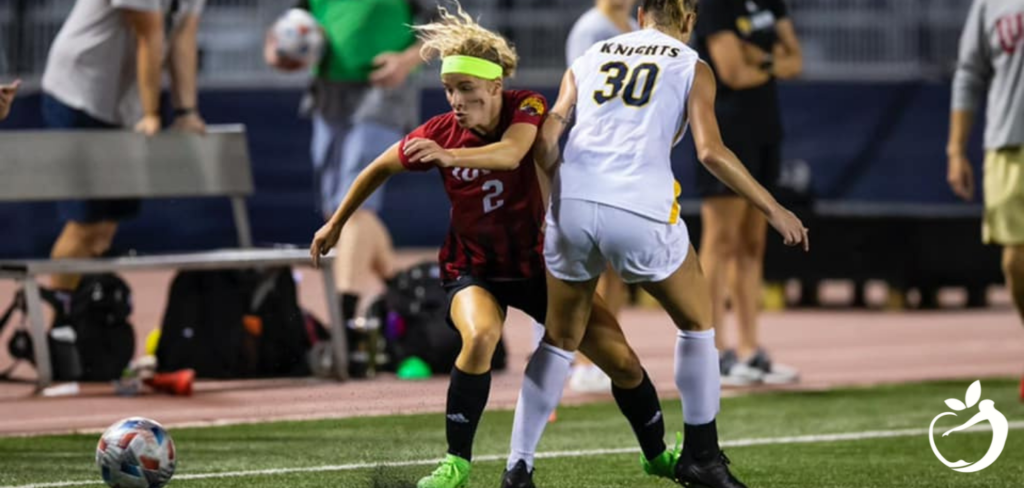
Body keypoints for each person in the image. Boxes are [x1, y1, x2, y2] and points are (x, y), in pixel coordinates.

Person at [310, 6, 681, 488]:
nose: (456, 100)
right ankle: (456, 463)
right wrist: (337, 223)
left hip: (539, 265)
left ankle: (655, 456)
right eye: (449, 89)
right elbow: (377, 168)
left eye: (467, 89)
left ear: (494, 87)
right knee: (480, 336)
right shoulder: (439, 131)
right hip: (474, 268)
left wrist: (450, 156)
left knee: (623, 361)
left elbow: (512, 153)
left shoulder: (525, 107)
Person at [504, 0, 809, 487]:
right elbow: (711, 151)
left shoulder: (590, 55)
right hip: (639, 208)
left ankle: (518, 466)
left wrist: (552, 209)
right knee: (697, 323)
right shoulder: (691, 63)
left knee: (559, 339)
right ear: (689, 21)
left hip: (573, 203)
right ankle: (703, 457)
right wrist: (773, 208)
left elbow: (547, 139)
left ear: (640, 13)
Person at [266, 0, 431, 324]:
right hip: (328, 92)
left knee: (353, 206)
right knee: (336, 213)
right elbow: (291, 19)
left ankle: (342, 316)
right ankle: (410, 297)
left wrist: (407, 60)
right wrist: (276, 49)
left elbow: (446, 26)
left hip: (381, 92)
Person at [42, 0, 207, 298]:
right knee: (86, 225)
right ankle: (61, 325)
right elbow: (148, 33)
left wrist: (186, 112)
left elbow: (183, 35)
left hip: (124, 107)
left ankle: (87, 317)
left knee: (105, 229)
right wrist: (151, 113)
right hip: (80, 94)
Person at [693, 0, 803, 386]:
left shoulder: (771, 2)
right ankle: (714, 351)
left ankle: (751, 351)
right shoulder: (714, 6)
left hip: (766, 130)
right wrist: (774, 61)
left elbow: (797, 61)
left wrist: (764, 60)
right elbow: (733, 73)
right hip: (728, 133)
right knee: (720, 240)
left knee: (753, 243)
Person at [556, 0, 640, 395]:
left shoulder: (628, 23)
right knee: (590, 264)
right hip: (597, 158)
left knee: (615, 269)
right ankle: (583, 360)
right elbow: (583, 95)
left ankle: (605, 355)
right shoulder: (592, 28)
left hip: (626, 159)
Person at [946, 0, 1024, 401]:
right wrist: (956, 150)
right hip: (1009, 146)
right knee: (1015, 261)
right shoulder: (992, 3)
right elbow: (969, 73)